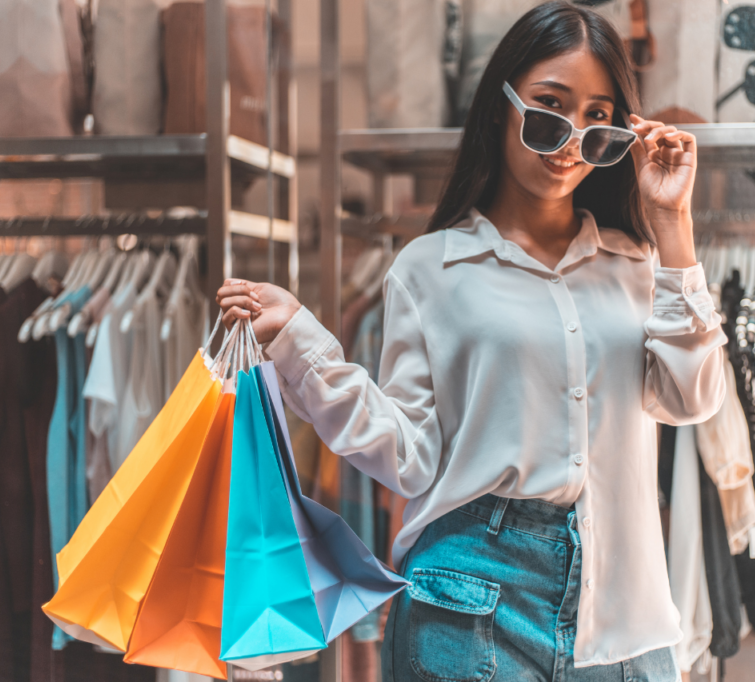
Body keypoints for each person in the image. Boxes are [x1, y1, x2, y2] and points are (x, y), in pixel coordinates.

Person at [217, 2, 726, 680]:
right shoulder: (431, 269)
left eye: (598, 121)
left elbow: (691, 398)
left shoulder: (639, 267)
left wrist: (673, 228)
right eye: (549, 111)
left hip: (623, 613)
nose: (571, 140)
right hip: (467, 596)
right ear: (501, 106)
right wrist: (297, 339)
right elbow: (413, 457)